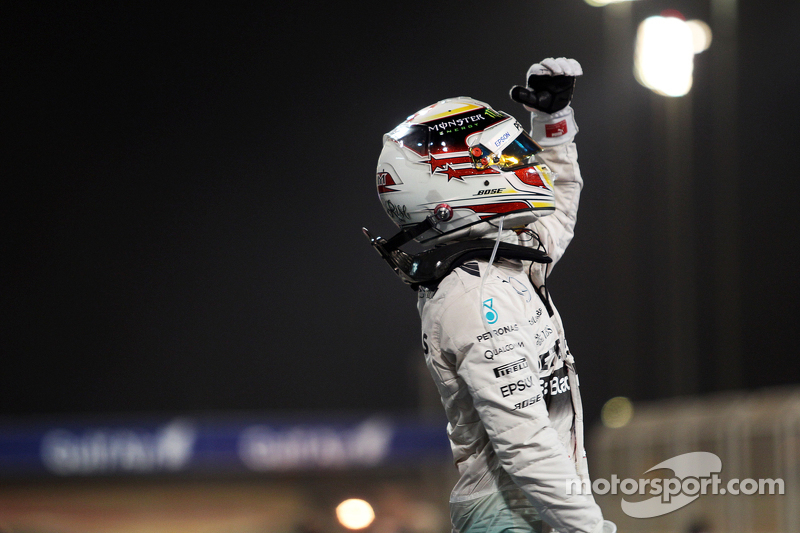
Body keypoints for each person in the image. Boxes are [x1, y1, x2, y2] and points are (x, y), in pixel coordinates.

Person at [364, 58, 616, 533]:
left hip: (532, 506)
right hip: (512, 515)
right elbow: (524, 445)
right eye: (500, 159)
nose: (522, 163)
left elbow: (558, 214)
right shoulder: (475, 299)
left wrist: (554, 126)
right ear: (452, 187)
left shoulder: (497, 264)